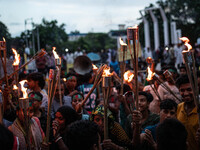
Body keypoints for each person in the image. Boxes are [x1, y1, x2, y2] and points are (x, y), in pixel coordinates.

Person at [176, 75, 200, 150]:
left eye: (189, 89)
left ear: (196, 89)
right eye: (182, 90)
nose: (186, 93)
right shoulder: (179, 107)